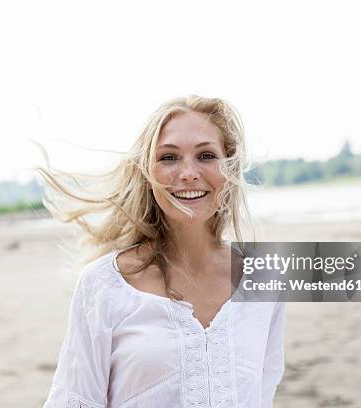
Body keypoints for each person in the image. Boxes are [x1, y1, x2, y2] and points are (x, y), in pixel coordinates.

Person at [39, 95, 286, 408]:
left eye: (207, 155)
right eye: (169, 157)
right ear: (147, 173)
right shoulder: (103, 286)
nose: (188, 173)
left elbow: (262, 393)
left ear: (230, 167)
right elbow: (74, 401)